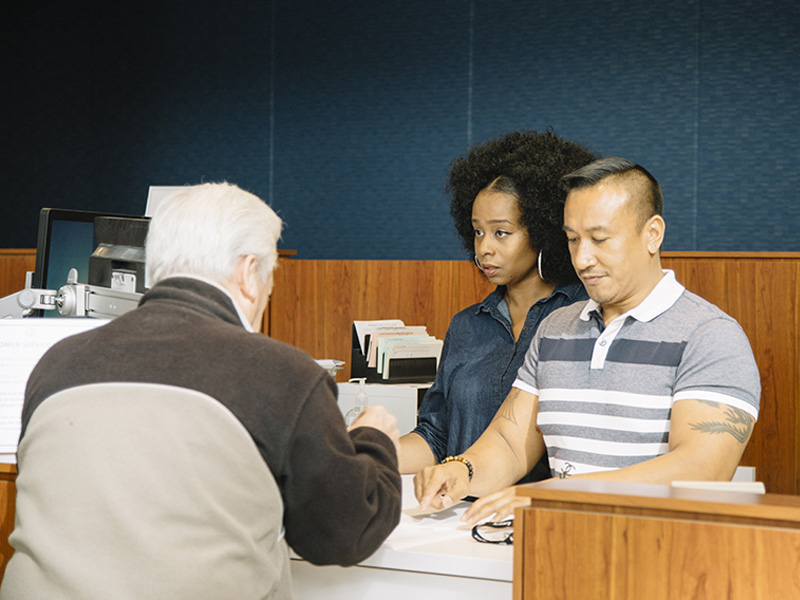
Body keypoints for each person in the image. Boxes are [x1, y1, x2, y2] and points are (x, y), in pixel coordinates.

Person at [2, 183, 402, 600]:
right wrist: (374, 440)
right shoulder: (281, 374)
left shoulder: (56, 365)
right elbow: (344, 532)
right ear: (249, 273)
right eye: (270, 276)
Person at [414, 157, 761, 525]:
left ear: (652, 234)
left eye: (599, 239)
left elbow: (701, 468)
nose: (582, 258)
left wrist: (555, 494)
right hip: (559, 545)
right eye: (573, 239)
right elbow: (510, 445)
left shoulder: (710, 336)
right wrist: (462, 471)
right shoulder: (555, 328)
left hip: (660, 555)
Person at [398, 131, 598, 484]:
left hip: (545, 518)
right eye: (477, 232)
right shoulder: (466, 326)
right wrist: (365, 452)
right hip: (460, 515)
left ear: (542, 231)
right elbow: (435, 437)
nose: (484, 248)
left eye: (501, 233)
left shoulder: (586, 316)